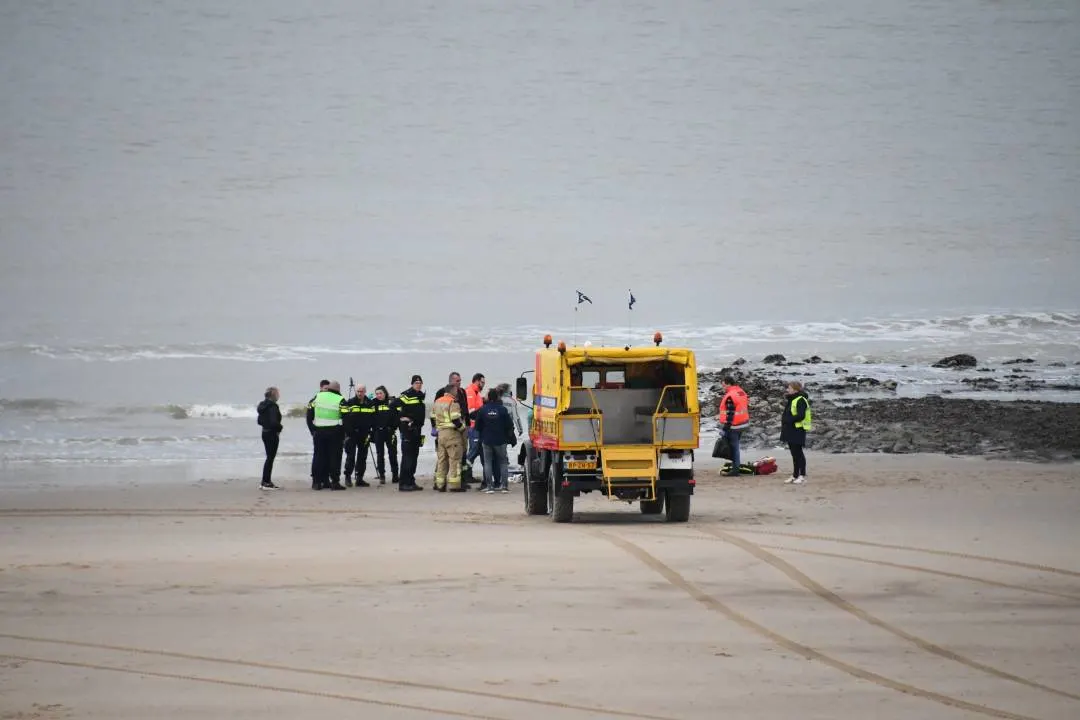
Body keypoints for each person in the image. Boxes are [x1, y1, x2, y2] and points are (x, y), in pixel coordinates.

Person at [308, 380, 347, 491]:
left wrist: (312, 430)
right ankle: (335, 482)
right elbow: (347, 418)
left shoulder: (317, 397)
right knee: (334, 457)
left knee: (318, 456)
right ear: (338, 390)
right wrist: (345, 433)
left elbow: (309, 415)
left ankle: (316, 482)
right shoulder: (340, 400)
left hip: (319, 432)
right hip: (335, 433)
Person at [475, 388, 515, 493]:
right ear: (497, 397)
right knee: (503, 462)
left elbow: (477, 426)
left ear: (488, 398)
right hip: (501, 440)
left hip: (487, 440)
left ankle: (489, 487)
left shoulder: (483, 409)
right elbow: (509, 425)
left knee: (487, 463)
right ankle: (504, 487)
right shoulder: (502, 409)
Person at [391, 375, 426, 492]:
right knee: (407, 457)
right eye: (416, 382)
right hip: (408, 431)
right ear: (412, 384)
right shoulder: (406, 395)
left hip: (417, 430)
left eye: (420, 382)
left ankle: (411, 481)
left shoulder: (420, 395)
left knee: (414, 457)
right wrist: (401, 418)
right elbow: (392, 406)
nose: (418, 384)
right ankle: (403, 483)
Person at [431, 383, 466, 492]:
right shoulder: (453, 402)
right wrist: (463, 428)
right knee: (454, 459)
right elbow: (456, 420)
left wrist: (437, 428)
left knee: (442, 460)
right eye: (456, 390)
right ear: (452, 391)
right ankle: (454, 485)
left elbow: (432, 418)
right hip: (452, 434)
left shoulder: (437, 402)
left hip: (440, 433)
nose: (457, 392)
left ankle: (440, 484)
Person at [342, 384, 374, 488]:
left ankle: (359, 478)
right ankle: (348, 477)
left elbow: (373, 419)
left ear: (365, 392)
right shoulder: (350, 402)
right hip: (352, 434)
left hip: (365, 434)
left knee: (362, 457)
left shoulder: (370, 403)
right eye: (358, 391)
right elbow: (345, 419)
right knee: (350, 456)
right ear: (356, 392)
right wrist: (348, 432)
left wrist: (371, 432)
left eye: (362, 391)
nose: (360, 393)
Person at [718, 375, 750, 477]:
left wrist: (725, 428)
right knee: (735, 447)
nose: (723, 388)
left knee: (734, 447)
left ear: (728, 384)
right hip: (743, 424)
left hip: (733, 426)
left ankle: (735, 469)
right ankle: (735, 467)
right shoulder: (741, 392)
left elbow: (730, 414)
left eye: (724, 385)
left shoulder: (730, 396)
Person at [780, 381, 811, 484]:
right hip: (791, 429)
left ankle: (802, 475)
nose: (787, 389)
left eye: (789, 388)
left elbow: (801, 415)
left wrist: (788, 420)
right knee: (794, 454)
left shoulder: (800, 399)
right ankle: (795, 475)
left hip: (798, 429)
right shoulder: (792, 399)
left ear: (795, 389)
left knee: (798, 453)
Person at [256, 386, 283, 490]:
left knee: (269, 457)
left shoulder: (262, 405)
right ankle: (266, 482)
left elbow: (259, 421)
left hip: (264, 432)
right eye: (277, 393)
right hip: (272, 434)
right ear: (273, 395)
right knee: (270, 458)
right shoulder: (273, 406)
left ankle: (266, 481)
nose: (279, 395)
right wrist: (280, 428)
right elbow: (273, 422)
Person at [371, 386, 399, 485]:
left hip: (390, 432)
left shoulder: (392, 402)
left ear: (385, 393)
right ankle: (382, 476)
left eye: (380, 393)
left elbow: (397, 416)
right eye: (377, 394)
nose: (378, 395)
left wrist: (393, 427)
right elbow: (370, 417)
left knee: (392, 454)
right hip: (378, 432)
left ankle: (395, 475)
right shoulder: (373, 403)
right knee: (380, 454)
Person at [496, 382, 524, 481]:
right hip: (507, 428)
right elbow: (516, 417)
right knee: (504, 448)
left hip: (496, 427)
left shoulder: (497, 399)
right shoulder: (512, 401)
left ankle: (499, 468)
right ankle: (505, 466)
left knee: (498, 448)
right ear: (508, 390)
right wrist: (520, 429)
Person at [306, 379, 330, 486]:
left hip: (330, 432)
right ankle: (316, 480)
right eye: (325, 389)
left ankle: (325, 479)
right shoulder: (313, 401)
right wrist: (312, 431)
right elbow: (308, 418)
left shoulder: (331, 400)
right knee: (318, 456)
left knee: (328, 456)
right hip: (318, 432)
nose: (327, 391)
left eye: (329, 389)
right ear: (321, 388)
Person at [464, 373, 486, 478]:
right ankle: (465, 474)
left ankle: (468, 475)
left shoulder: (476, 393)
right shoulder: (471, 392)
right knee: (473, 451)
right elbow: (471, 413)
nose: (483, 385)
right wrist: (484, 412)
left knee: (477, 450)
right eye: (482, 382)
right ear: (476, 381)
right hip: (473, 427)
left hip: (477, 427)